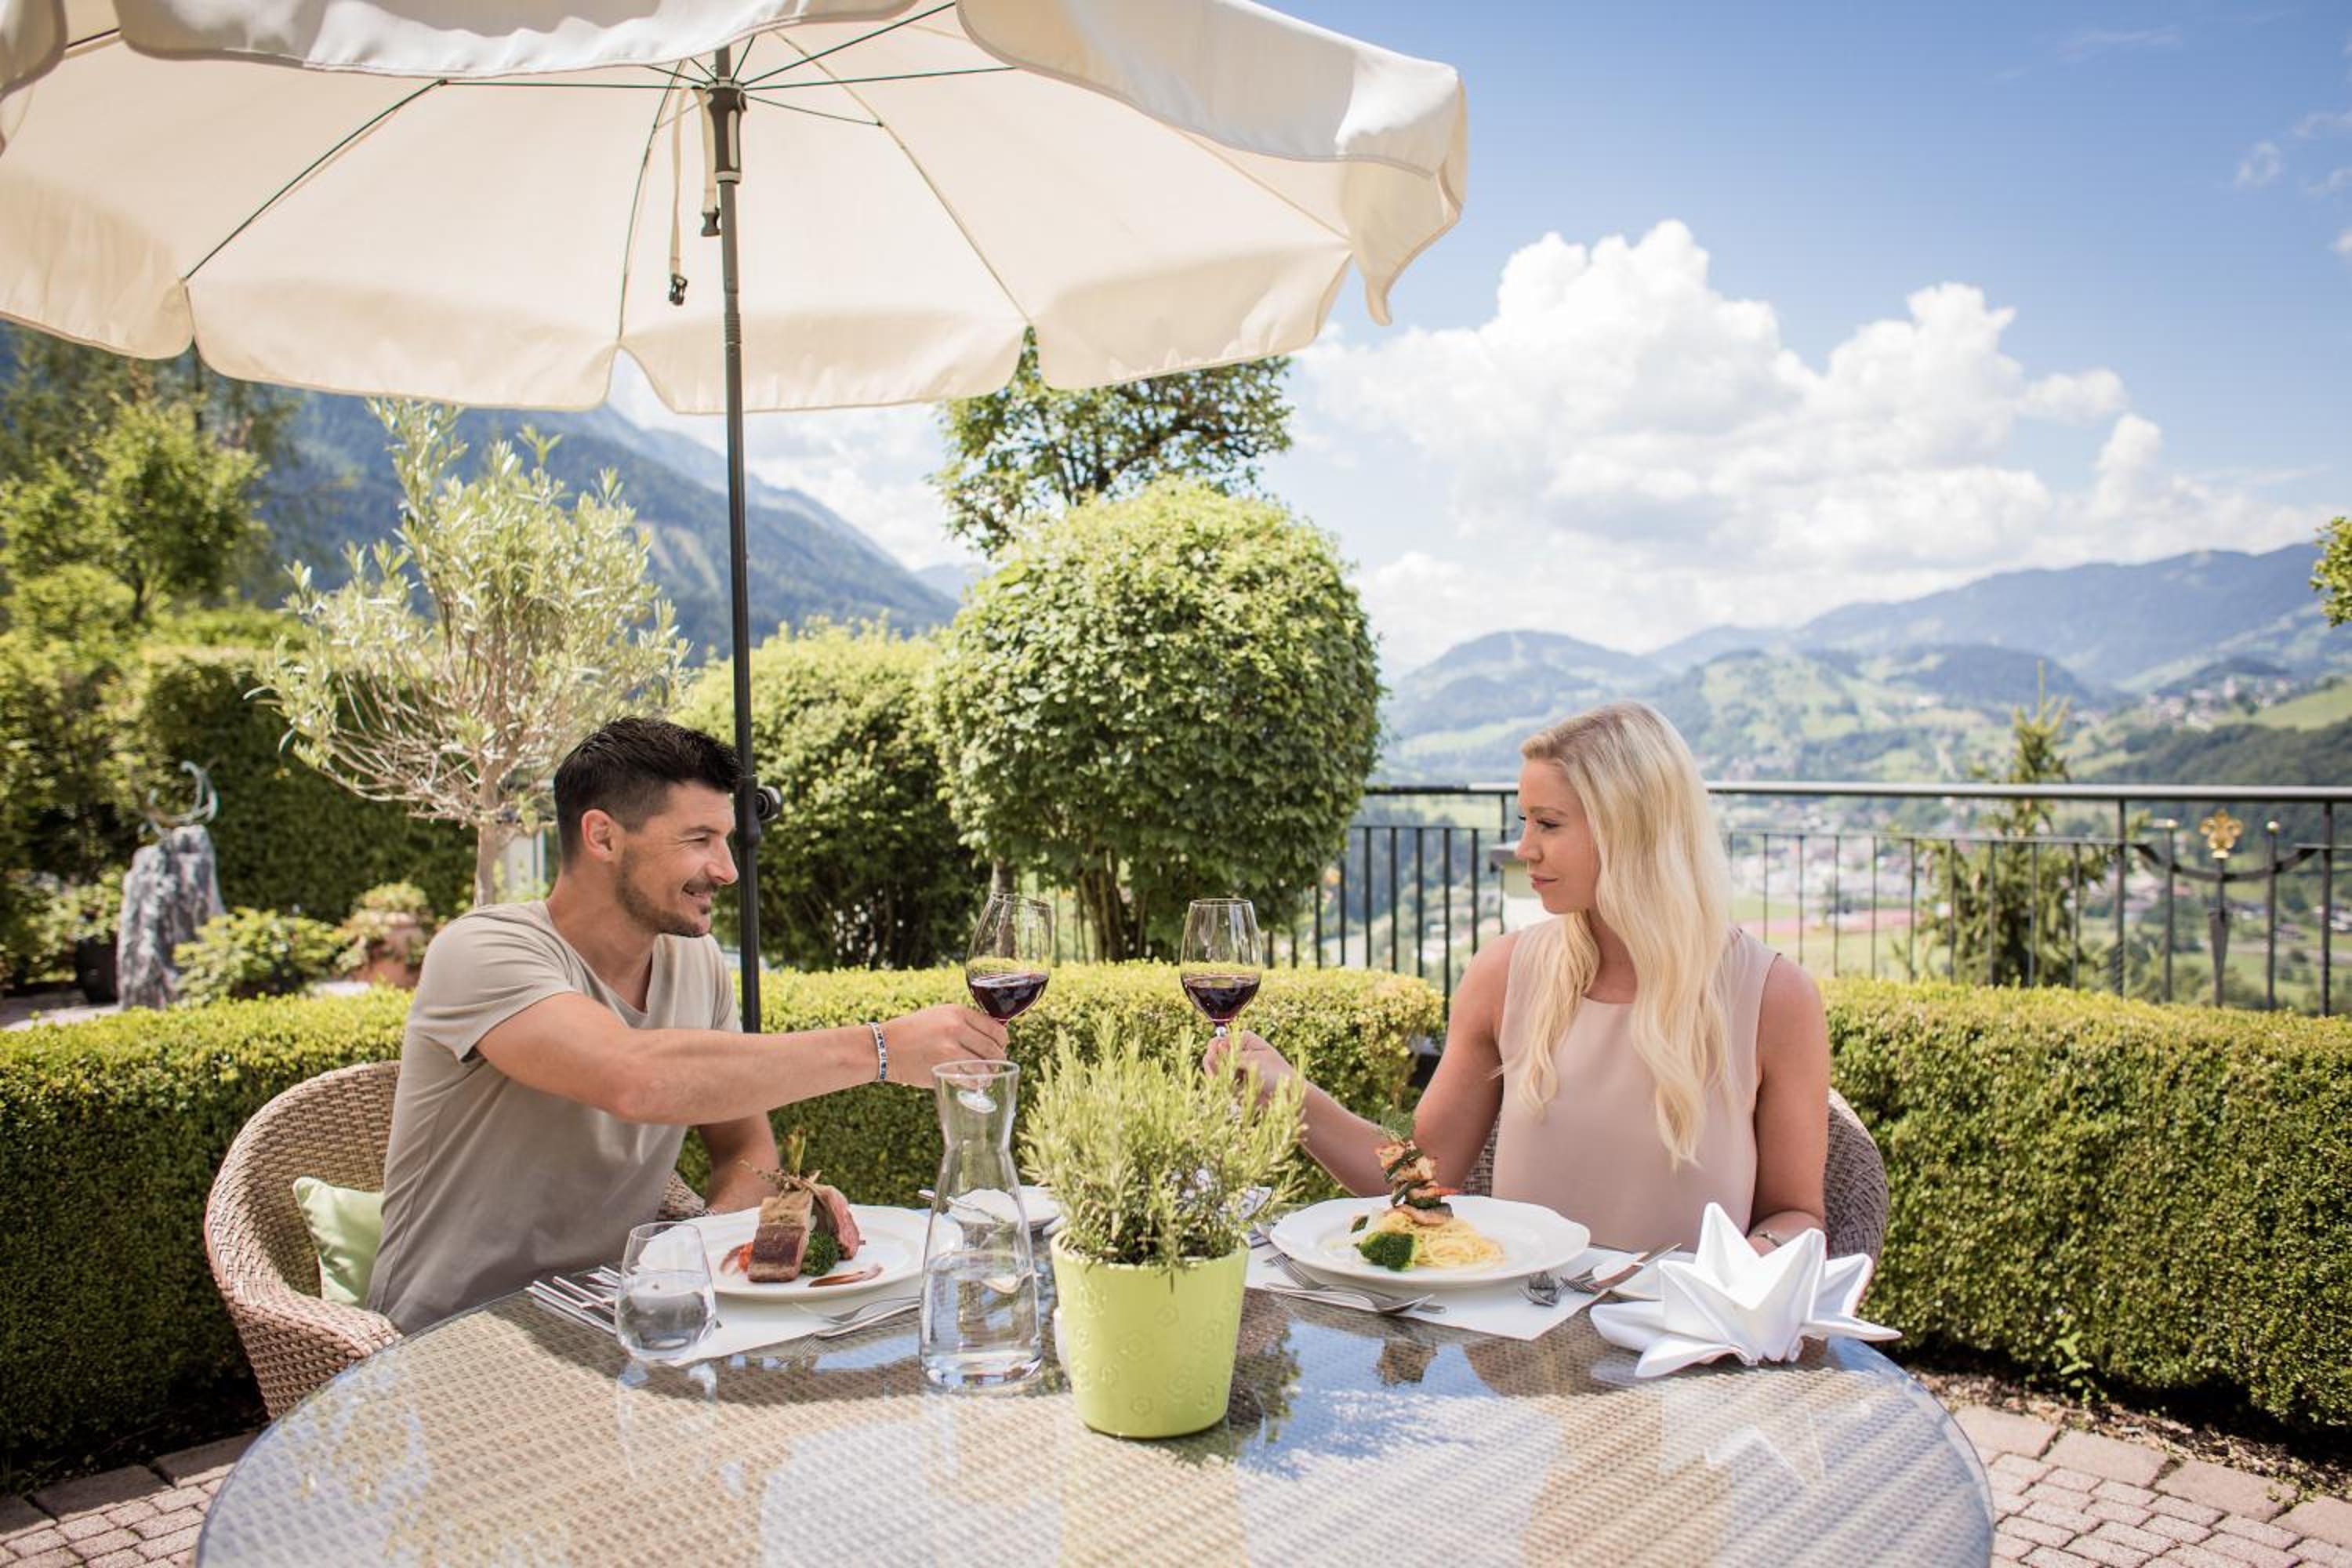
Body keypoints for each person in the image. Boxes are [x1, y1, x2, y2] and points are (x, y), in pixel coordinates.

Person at [367, 717, 1007, 1331]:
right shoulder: (481, 952)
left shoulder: (695, 963)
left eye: (725, 840)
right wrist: (881, 1048)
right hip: (455, 1335)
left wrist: (704, 1241)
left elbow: (745, 1149)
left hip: (616, 1319)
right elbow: (633, 1077)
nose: (727, 869)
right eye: (699, 840)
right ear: (603, 837)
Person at [1212, 701, 1829, 1255]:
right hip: (1514, 1335)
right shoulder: (1505, 975)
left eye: (1548, 824)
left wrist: (1734, 1277)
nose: (1524, 848)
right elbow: (1418, 1181)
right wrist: (1291, 1095)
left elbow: (1797, 1216)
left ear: (1632, 830)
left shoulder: (1773, 998)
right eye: (1524, 821)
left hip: (1684, 1339)